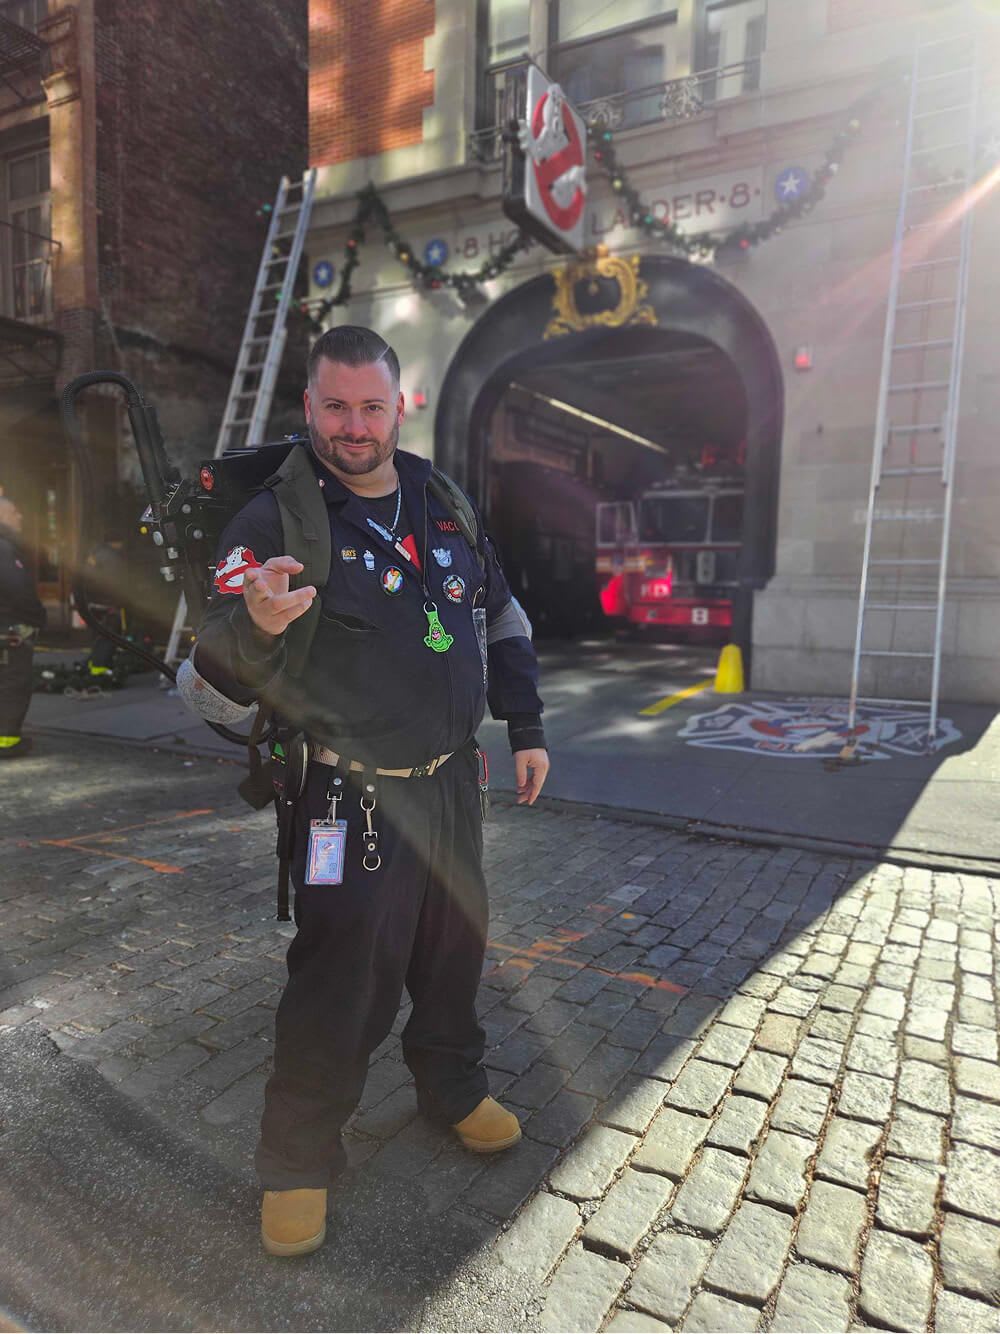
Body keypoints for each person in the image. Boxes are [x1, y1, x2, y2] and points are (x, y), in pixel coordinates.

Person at [183, 326, 549, 1257]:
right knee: (342, 979)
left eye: (371, 406)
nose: (355, 426)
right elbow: (203, 695)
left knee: (454, 950)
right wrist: (255, 628)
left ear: (400, 406)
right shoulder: (275, 523)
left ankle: (451, 1085)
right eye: (336, 407)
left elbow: (497, 611)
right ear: (309, 408)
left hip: (453, 784)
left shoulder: (441, 496)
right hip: (348, 801)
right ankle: (297, 1158)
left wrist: (527, 726)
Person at [0, 496, 46, 759]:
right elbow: (19, 592)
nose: (21, 517)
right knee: (13, 685)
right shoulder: (5, 550)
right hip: (9, 631)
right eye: (15, 512)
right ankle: (7, 743)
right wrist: (39, 618)